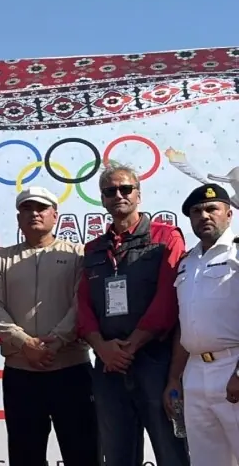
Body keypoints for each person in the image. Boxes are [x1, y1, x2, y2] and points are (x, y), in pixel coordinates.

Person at [76, 166, 189, 465]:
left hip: (156, 362)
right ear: (101, 199)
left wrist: (133, 345)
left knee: (171, 451)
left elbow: (168, 301)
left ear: (138, 194)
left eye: (125, 189)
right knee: (117, 456)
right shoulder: (94, 249)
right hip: (109, 366)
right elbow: (84, 305)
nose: (119, 195)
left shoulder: (166, 238)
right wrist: (102, 348)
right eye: (110, 191)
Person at [0, 187, 98, 465]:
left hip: (71, 370)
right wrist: (25, 343)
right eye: (27, 209)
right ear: (18, 218)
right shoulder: (2, 259)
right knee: (25, 455)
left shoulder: (77, 255)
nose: (34, 214)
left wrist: (55, 341)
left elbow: (81, 303)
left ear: (55, 216)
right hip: (21, 373)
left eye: (41, 208)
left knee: (83, 453)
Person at [164, 183, 239, 465]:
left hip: (232, 366)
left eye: (212, 209)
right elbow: (186, 324)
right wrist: (175, 378)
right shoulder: (187, 262)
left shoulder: (236, 254)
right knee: (208, 460)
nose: (204, 215)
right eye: (196, 211)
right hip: (195, 373)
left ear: (228, 214)